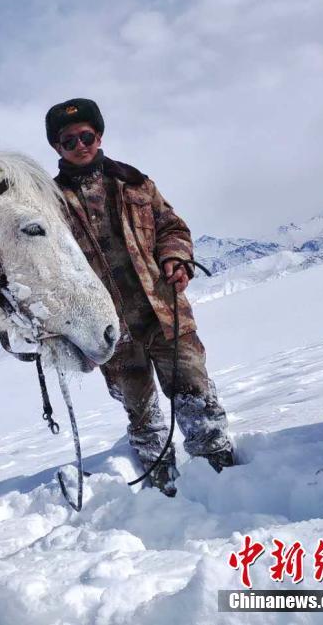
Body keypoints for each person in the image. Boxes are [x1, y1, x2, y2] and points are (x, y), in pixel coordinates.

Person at [45, 98, 235, 496]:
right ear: (57, 147)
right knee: (141, 412)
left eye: (86, 136)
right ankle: (164, 488)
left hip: (163, 312)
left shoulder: (135, 183)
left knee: (194, 394)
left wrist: (175, 258)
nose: (80, 145)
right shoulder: (49, 204)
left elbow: (173, 228)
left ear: (99, 136)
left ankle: (222, 471)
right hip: (108, 330)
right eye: (69, 140)